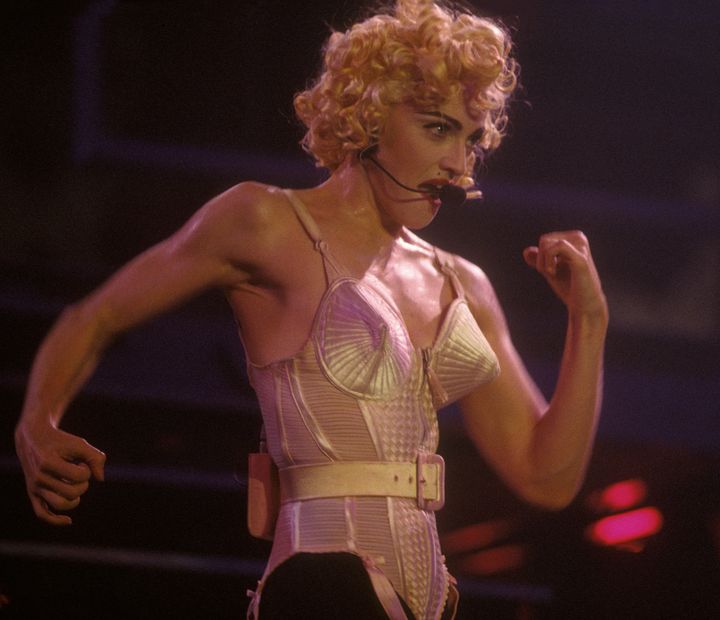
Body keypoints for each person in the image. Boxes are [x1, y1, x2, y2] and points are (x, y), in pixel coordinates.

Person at [14, 1, 608, 618]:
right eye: (437, 129)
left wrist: (589, 323)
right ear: (371, 113)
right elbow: (94, 318)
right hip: (316, 592)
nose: (458, 166)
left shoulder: (463, 285)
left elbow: (547, 478)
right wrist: (36, 421)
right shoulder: (263, 222)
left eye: (469, 138)